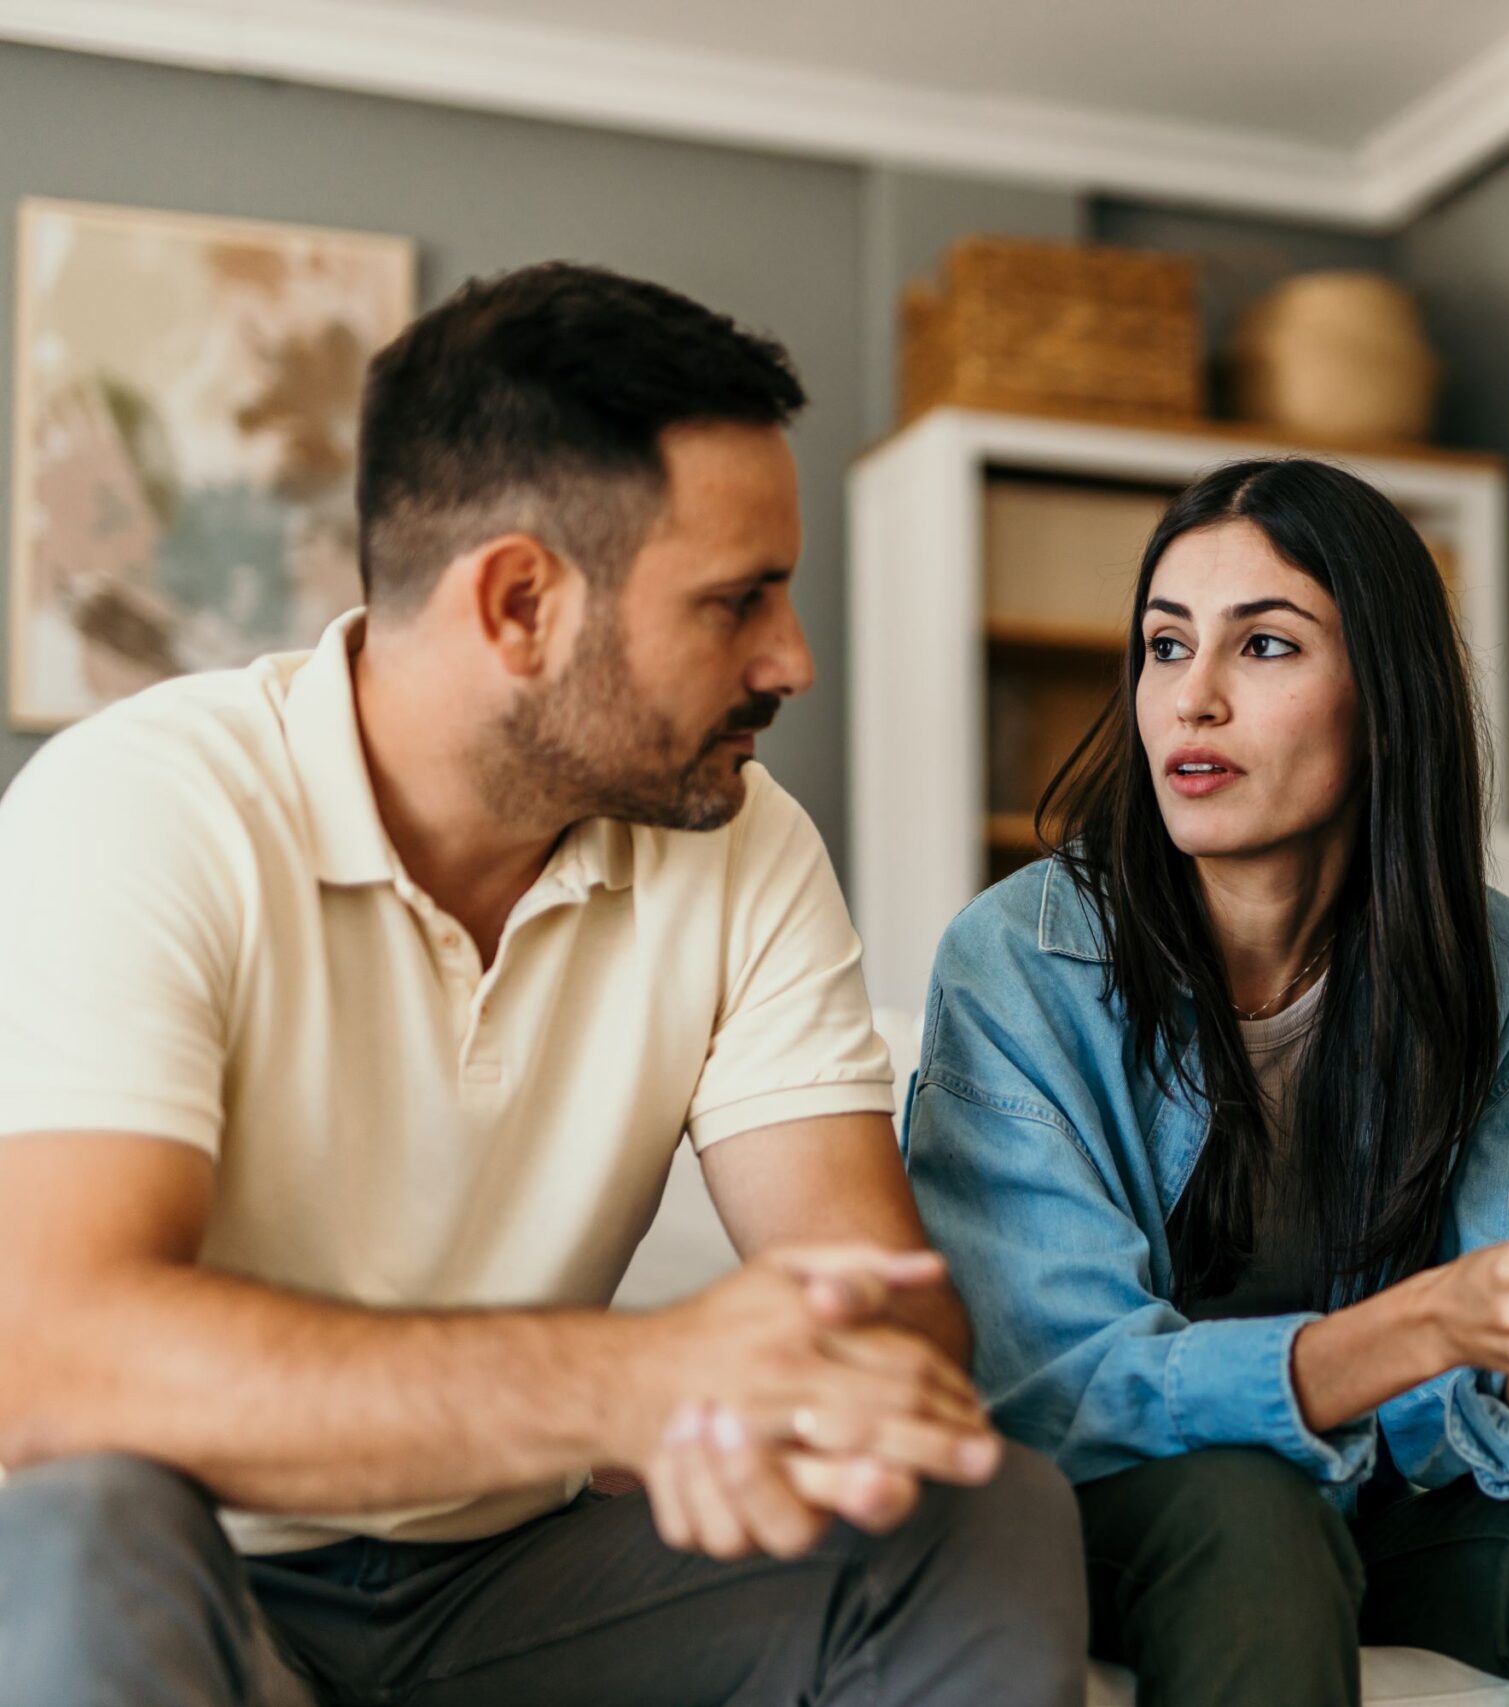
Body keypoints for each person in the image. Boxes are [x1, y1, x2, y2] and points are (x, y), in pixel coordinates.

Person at [0, 262, 1084, 1707]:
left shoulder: (745, 844)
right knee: (77, 1523)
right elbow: (52, 1355)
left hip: (522, 1585)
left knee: (980, 1507)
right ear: (519, 601)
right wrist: (622, 1384)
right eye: (736, 600)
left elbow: (877, 1309)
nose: (793, 659)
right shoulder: (140, 807)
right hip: (204, 1561)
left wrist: (817, 1397)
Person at [900, 458, 1509, 1705]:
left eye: (1267, 648)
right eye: (1165, 647)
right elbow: (1056, 1390)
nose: (1195, 701)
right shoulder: (1018, 960)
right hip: (1126, 1506)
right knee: (1250, 1509)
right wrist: (1419, 1327)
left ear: (1381, 696)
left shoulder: (1500, 963)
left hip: (1386, 1501)